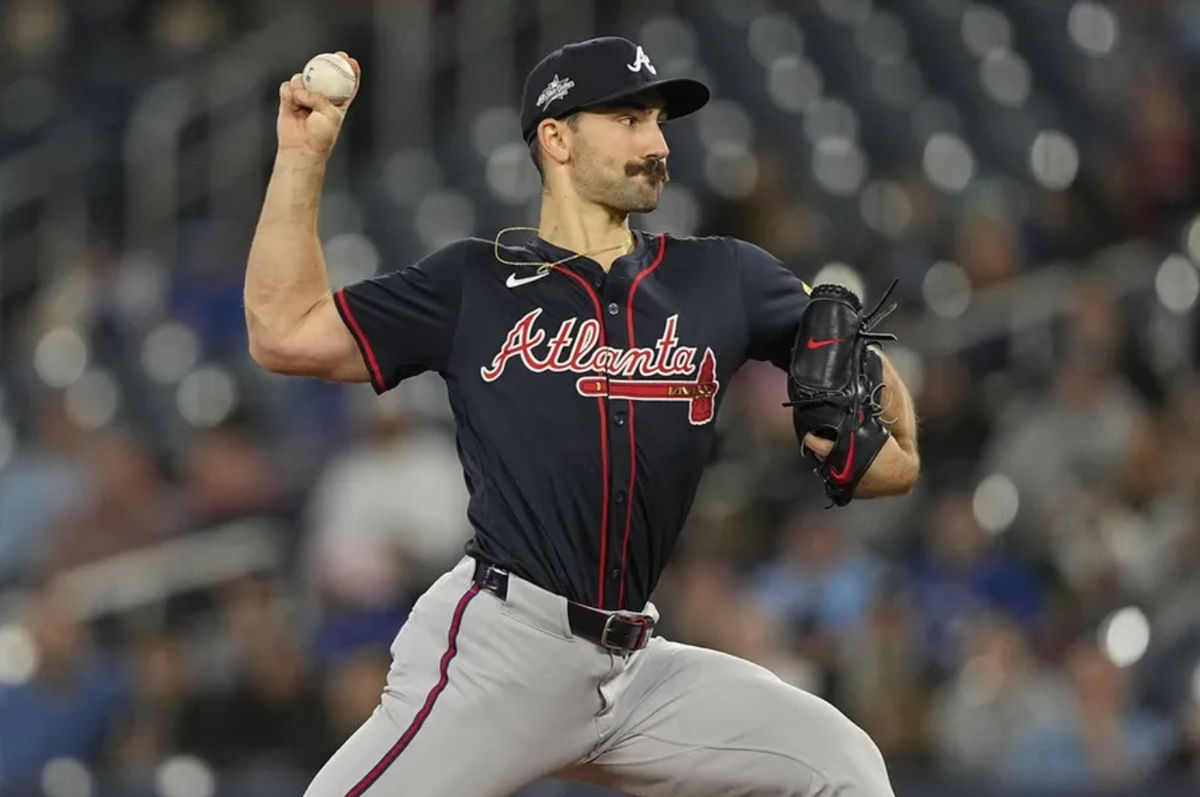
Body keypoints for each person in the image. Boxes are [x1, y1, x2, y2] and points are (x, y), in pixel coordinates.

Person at [245, 36, 919, 797]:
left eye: (659, 122)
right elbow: (283, 330)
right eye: (629, 119)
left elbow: (887, 436)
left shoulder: (722, 278)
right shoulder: (475, 282)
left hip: (632, 666)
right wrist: (302, 157)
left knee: (842, 763)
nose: (658, 143)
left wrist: (879, 429)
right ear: (556, 137)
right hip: (505, 651)